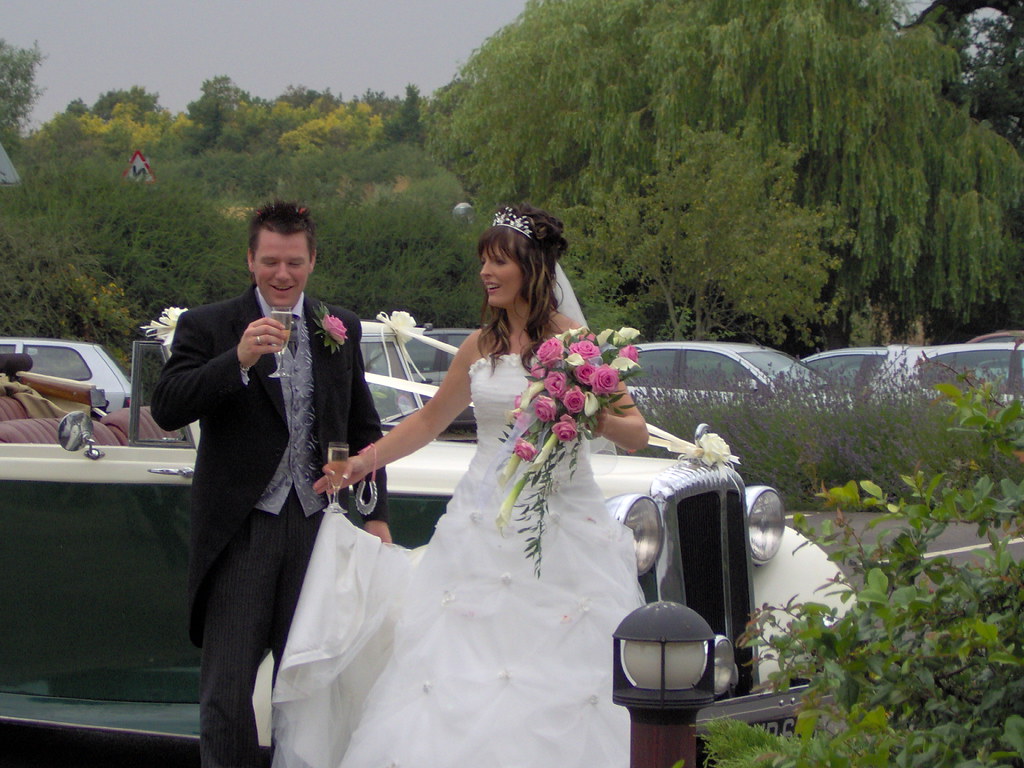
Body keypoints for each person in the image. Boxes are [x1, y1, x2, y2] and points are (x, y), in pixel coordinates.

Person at [273, 203, 648, 768]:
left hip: (563, 527)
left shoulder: (578, 344)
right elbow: (426, 422)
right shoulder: (481, 346)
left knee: (562, 664)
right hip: (481, 521)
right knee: (456, 663)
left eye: (498, 262)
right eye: (482, 262)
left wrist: (586, 413)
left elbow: (636, 433)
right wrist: (358, 464)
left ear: (531, 268)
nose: (485, 274)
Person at [151, 200, 390, 768]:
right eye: (270, 262)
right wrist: (236, 358)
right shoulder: (208, 325)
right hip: (242, 528)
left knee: (308, 689)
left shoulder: (339, 327)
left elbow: (363, 426)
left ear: (312, 261)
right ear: (251, 259)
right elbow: (166, 408)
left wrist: (377, 512)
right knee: (229, 692)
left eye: (294, 262)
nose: (282, 275)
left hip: (316, 528)